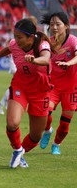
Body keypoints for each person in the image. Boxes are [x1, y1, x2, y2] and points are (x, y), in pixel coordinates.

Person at [0, 18, 53, 168]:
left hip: (40, 91)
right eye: (14, 36)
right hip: (20, 87)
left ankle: (22, 151)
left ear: (30, 37)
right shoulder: (15, 44)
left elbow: (46, 59)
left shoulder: (42, 44)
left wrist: (34, 60)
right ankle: (17, 149)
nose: (15, 40)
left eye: (19, 37)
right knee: (12, 123)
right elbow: (8, 49)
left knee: (36, 136)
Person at [39, 12, 77, 154]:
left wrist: (69, 63)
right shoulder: (49, 42)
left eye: (58, 24)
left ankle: (56, 144)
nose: (54, 27)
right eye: (52, 24)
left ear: (66, 26)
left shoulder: (73, 41)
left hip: (71, 88)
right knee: (44, 114)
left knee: (65, 124)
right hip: (53, 87)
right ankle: (48, 131)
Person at [0, 16, 38, 115]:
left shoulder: (31, 37)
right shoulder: (20, 35)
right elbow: (9, 44)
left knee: (17, 85)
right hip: (16, 64)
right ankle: (3, 103)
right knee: (18, 83)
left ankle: (4, 103)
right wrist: (9, 52)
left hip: (22, 64)